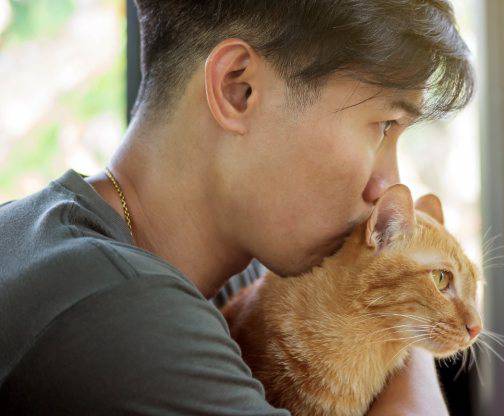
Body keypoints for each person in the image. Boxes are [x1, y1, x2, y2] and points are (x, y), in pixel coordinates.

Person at [0, 0, 474, 414]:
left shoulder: (241, 275)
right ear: (236, 89)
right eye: (384, 126)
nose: (388, 183)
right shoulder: (115, 314)